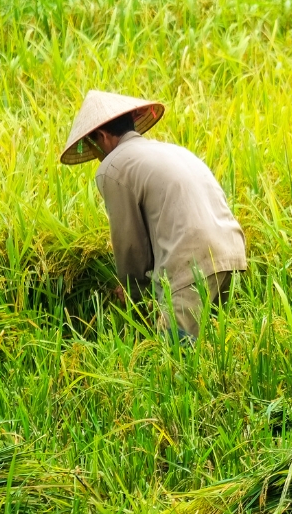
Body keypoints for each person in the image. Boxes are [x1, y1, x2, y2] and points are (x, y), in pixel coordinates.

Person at [60, 90, 247, 339]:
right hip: (232, 254)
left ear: (102, 136)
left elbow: (130, 242)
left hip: (189, 265)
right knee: (214, 352)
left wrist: (132, 291)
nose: (96, 156)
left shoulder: (113, 166)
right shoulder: (171, 151)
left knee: (175, 363)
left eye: (92, 147)